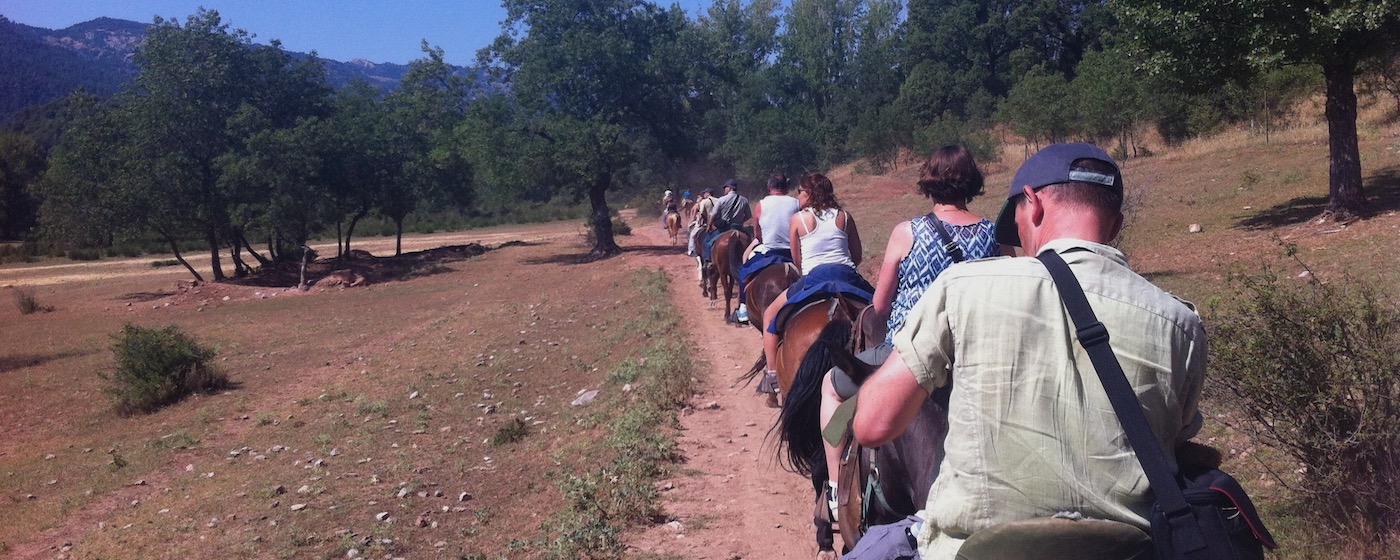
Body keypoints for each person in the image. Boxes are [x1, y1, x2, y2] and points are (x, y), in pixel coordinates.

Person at [851, 143, 1207, 560]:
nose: (1019, 233)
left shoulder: (963, 287)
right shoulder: (1181, 324)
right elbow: (1174, 444)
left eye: (1017, 219)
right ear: (1115, 226)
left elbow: (872, 426)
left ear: (1033, 205)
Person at [816, 145, 1005, 522]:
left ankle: (837, 490)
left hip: (911, 353)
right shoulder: (991, 233)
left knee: (832, 388)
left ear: (929, 183)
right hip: (974, 354)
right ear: (972, 183)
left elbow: (880, 306)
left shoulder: (907, 232)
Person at [758, 173, 873, 397]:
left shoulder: (799, 219)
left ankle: (772, 375)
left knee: (770, 315)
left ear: (809, 193)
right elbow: (856, 255)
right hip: (847, 275)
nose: (798, 196)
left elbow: (797, 259)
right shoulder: (844, 216)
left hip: (814, 277)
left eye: (800, 191)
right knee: (886, 309)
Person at [732, 173, 801, 323]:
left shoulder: (761, 205)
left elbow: (758, 233)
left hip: (770, 251)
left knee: (745, 270)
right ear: (787, 187)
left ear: (769, 187)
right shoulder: (796, 203)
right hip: (793, 252)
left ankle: (743, 307)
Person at [702, 179, 752, 262]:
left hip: (725, 228)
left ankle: (709, 261)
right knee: (750, 240)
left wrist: (709, 226)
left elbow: (713, 215)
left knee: (707, 242)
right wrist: (740, 221)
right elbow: (748, 215)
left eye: (725, 187)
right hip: (739, 227)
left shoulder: (722, 199)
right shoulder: (744, 200)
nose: (724, 189)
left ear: (729, 188)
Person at [687, 187, 716, 257]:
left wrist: (700, 223)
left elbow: (701, 213)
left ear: (708, 193)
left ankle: (691, 250)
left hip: (706, 222)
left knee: (692, 235)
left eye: (705, 193)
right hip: (716, 223)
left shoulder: (704, 201)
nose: (704, 194)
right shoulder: (718, 200)